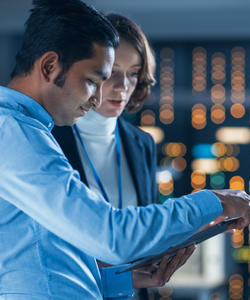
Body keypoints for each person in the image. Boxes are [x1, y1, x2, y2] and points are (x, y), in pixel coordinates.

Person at [0, 1, 250, 300]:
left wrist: (122, 280)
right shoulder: (9, 133)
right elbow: (113, 236)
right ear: (50, 66)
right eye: (92, 81)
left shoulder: (24, 132)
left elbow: (43, 269)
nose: (98, 99)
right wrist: (212, 201)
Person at [51, 14, 174, 299]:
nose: (122, 86)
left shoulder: (141, 143)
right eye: (111, 72)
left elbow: (145, 229)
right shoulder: (51, 138)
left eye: (133, 73)